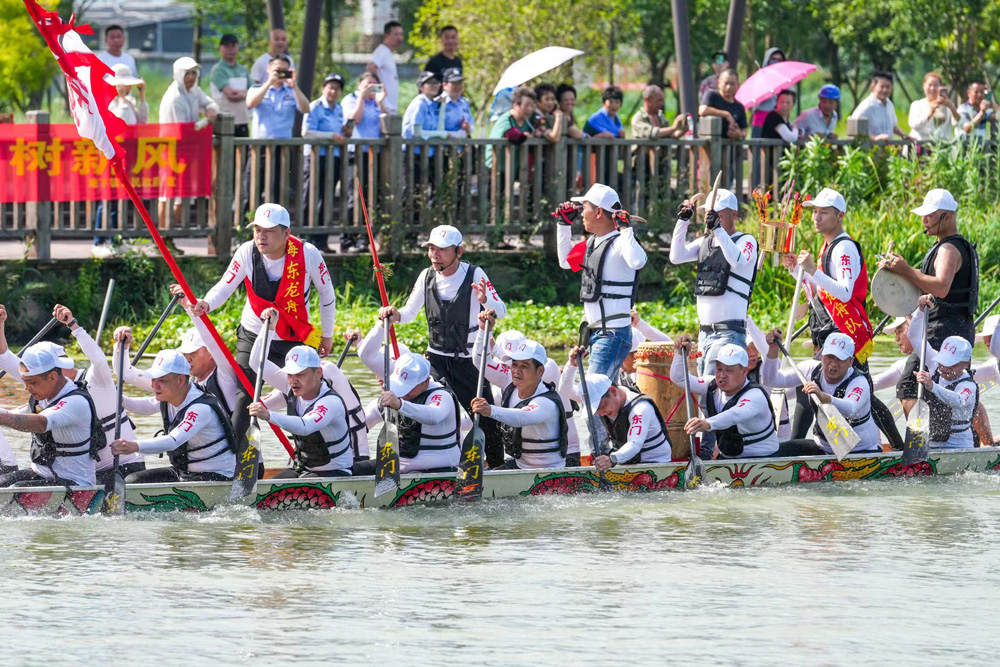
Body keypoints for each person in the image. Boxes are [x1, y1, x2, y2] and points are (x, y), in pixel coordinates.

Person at [189, 203, 336, 466]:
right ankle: (236, 462)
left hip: (293, 336)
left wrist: (327, 335)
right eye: (257, 230)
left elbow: (327, 295)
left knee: (300, 395)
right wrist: (206, 303)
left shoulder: (308, 253)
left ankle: (311, 459)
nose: (261, 236)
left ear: (286, 233)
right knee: (244, 395)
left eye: (268, 231)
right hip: (254, 334)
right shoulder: (246, 251)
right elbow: (225, 285)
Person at [781, 188, 902, 450]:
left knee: (852, 392)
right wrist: (797, 270)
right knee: (812, 387)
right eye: (815, 211)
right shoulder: (828, 245)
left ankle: (899, 449)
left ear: (840, 216)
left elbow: (845, 292)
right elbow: (821, 290)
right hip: (832, 331)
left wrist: (811, 269)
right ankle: (798, 449)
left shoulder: (844, 247)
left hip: (847, 334)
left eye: (824, 212)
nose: (816, 217)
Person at [378, 225, 507, 467]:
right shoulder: (426, 276)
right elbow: (408, 313)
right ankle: (424, 461)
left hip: (469, 362)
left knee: (485, 418)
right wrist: (394, 314)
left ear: (459, 251)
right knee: (422, 407)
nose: (434, 255)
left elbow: (501, 311)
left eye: (442, 250)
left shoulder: (475, 274)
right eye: (431, 249)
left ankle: (498, 468)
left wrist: (485, 299)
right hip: (435, 360)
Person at [556, 183, 647, 379]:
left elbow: (638, 261)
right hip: (597, 333)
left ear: (598, 212)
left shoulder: (622, 241)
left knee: (593, 392)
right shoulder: (593, 242)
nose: (581, 213)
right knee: (603, 393)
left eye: (585, 207)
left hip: (612, 334)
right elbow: (565, 262)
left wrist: (625, 229)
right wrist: (563, 225)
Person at [111, 350, 236, 483]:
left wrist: (134, 446)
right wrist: (116, 396)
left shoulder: (200, 409)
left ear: (180, 379)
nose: (154, 385)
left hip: (216, 476)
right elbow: (145, 406)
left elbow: (173, 441)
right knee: (132, 480)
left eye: (161, 380)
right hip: (184, 472)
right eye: (153, 379)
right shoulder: (170, 396)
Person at [670, 188, 757, 375]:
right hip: (704, 334)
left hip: (729, 333)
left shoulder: (746, 241)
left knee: (712, 385)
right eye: (709, 214)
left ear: (734, 215)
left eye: (718, 215)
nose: (711, 218)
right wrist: (683, 221)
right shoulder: (705, 242)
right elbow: (676, 257)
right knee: (706, 387)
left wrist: (718, 229)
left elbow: (737, 260)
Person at [879, 188, 978, 349]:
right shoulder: (952, 245)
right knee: (913, 367)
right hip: (951, 329)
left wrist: (906, 271)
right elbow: (929, 279)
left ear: (947, 217)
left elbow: (941, 288)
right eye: (923, 215)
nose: (924, 220)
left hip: (945, 333)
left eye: (930, 215)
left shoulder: (948, 249)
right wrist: (899, 269)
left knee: (915, 367)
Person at [762, 331, 881, 455]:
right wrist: (773, 350)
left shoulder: (859, 382)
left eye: (840, 359)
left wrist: (824, 397)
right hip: (823, 448)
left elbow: (851, 409)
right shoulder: (810, 369)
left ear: (851, 362)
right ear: (821, 355)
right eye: (830, 357)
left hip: (860, 451)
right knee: (775, 452)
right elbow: (770, 380)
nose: (833, 364)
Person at [0, 345, 102, 488]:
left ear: (52, 377)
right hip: (41, 474)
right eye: (24, 381)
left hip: (75, 483)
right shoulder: (42, 396)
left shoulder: (76, 402)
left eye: (32, 382)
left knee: (16, 490)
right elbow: (12, 416)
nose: (26, 388)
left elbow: (40, 423)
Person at [248, 344, 354, 477]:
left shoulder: (331, 403)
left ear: (318, 373)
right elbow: (256, 362)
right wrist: (267, 331)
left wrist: (268, 415)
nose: (293, 381)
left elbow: (305, 426)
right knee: (270, 487)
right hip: (303, 469)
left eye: (300, 374)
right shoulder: (291, 387)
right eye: (289, 374)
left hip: (336, 472)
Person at [671, 338, 781, 459]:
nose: (722, 375)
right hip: (729, 459)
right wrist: (680, 354)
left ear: (744, 372)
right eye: (719, 369)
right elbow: (680, 379)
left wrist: (708, 423)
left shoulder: (755, 395)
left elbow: (735, 415)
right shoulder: (710, 385)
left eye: (729, 370)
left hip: (764, 459)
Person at [357, 353, 461, 475]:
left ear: (426, 382)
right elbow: (360, 424)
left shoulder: (442, 396)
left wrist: (400, 405)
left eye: (409, 387)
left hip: (438, 469)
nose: (403, 392)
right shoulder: (393, 396)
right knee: (351, 470)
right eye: (400, 385)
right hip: (395, 465)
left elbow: (433, 416)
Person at [471, 339, 566, 470]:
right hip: (520, 465)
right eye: (514, 364)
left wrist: (490, 410)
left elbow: (522, 417)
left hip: (548, 469)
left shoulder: (546, 402)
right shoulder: (509, 382)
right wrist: (483, 332)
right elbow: (480, 362)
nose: (516, 371)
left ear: (540, 371)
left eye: (524, 366)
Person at [568, 366, 671, 473]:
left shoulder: (640, 409)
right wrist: (572, 365)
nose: (602, 413)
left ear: (613, 391)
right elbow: (565, 391)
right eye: (597, 410)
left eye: (602, 407)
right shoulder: (612, 402)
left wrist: (612, 459)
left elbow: (635, 444)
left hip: (656, 465)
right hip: (629, 462)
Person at [158, 57, 218, 234]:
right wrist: (206, 121)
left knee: (182, 194)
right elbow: (185, 130)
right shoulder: (174, 98)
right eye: (187, 73)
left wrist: (210, 109)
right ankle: (164, 234)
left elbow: (210, 103)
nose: (191, 77)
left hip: (187, 150)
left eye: (194, 72)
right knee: (169, 192)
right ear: (179, 74)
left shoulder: (194, 90)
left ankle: (170, 234)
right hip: (172, 150)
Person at [95, 63, 147, 254]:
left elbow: (142, 120)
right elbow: (119, 122)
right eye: (123, 84)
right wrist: (123, 100)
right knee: (107, 197)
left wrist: (141, 97)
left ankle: (114, 239)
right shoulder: (110, 104)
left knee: (119, 197)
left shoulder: (129, 102)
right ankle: (100, 241)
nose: (127, 87)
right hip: (111, 155)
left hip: (127, 156)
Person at [340, 71, 388, 253]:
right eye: (367, 84)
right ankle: (348, 238)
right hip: (356, 154)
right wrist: (361, 97)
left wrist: (381, 102)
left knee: (371, 197)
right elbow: (352, 122)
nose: (370, 88)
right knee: (354, 196)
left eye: (374, 85)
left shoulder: (377, 103)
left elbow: (389, 125)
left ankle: (364, 239)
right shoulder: (350, 99)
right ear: (359, 85)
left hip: (375, 156)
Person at [911, 326, 978, 450]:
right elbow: (914, 337)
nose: (944, 367)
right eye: (943, 361)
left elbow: (958, 400)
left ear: (966, 364)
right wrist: (919, 315)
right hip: (930, 444)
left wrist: (932, 385)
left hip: (959, 446)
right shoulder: (935, 366)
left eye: (951, 363)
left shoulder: (968, 386)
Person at [302, 73, 348, 249]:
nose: (333, 91)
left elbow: (339, 132)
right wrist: (331, 136)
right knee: (311, 196)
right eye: (330, 87)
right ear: (323, 88)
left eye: (337, 88)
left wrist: (344, 133)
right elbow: (307, 132)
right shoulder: (315, 106)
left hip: (333, 158)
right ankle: (306, 238)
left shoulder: (339, 109)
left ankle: (321, 240)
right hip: (316, 157)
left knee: (327, 197)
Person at [247, 55, 310, 139]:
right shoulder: (256, 89)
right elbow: (251, 104)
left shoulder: (292, 92)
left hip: (284, 142)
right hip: (261, 141)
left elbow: (306, 109)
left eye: (284, 71)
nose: (281, 74)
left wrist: (294, 86)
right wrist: (269, 83)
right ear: (268, 69)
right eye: (278, 70)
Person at [484, 86, 536, 179]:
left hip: (511, 168)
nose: (530, 109)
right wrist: (526, 136)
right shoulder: (506, 118)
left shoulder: (527, 121)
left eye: (532, 106)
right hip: (494, 168)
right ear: (516, 105)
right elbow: (512, 135)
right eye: (527, 105)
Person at [210, 34, 253, 138]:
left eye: (233, 46)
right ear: (220, 48)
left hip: (243, 120)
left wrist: (243, 94)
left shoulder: (243, 69)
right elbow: (231, 95)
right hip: (224, 122)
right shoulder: (218, 70)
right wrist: (247, 94)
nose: (230, 49)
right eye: (227, 46)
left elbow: (254, 91)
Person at [849, 72, 908, 141]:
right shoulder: (867, 105)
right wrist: (875, 138)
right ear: (873, 87)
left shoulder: (889, 104)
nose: (885, 90)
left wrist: (903, 135)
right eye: (882, 87)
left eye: (888, 87)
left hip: (889, 146)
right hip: (871, 146)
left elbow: (893, 126)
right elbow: (854, 129)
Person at [908, 72, 958, 142]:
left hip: (943, 145)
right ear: (924, 86)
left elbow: (957, 123)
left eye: (936, 85)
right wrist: (930, 113)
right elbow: (914, 125)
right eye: (929, 85)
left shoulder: (948, 106)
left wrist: (951, 107)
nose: (932, 88)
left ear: (941, 87)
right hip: (920, 145)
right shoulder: (917, 105)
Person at [367, 20, 404, 114]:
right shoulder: (381, 51)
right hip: (383, 107)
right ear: (387, 35)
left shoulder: (388, 53)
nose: (399, 38)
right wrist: (378, 91)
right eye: (396, 34)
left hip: (390, 107)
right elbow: (370, 68)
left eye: (401, 34)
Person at [698, 69, 747, 139]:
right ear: (718, 83)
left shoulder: (739, 106)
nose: (729, 87)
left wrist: (739, 134)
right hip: (709, 143)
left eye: (732, 84)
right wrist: (726, 114)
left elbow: (744, 130)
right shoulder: (712, 95)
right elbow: (702, 110)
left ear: (737, 85)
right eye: (726, 83)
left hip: (730, 144)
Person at [750, 47, 785, 137]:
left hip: (778, 122)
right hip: (761, 121)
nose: (777, 63)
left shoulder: (785, 81)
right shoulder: (759, 79)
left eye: (780, 60)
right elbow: (756, 98)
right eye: (774, 60)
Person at [437, 68, 474, 138]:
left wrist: (468, 127)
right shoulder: (437, 103)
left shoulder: (464, 103)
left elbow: (471, 124)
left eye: (460, 83)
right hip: (442, 143)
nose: (457, 87)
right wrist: (456, 135)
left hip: (462, 144)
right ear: (444, 85)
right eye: (454, 83)